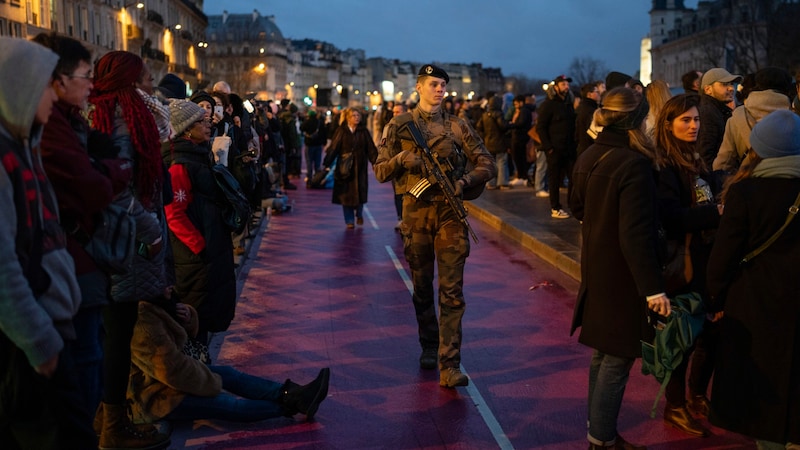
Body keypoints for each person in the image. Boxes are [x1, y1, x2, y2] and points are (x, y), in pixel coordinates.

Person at [0, 35, 96, 449]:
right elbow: (4, 267)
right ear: (19, 86)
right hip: (35, 344)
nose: (54, 95)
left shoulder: (24, 148)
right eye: (45, 85)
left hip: (50, 328)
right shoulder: (5, 159)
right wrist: (43, 347)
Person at [374, 64, 496, 388]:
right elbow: (380, 171)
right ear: (418, 87)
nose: (439, 89)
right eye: (433, 84)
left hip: (450, 217)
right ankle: (429, 343)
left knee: (452, 292)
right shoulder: (399, 125)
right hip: (415, 217)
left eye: (443, 84)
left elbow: (488, 163)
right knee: (423, 287)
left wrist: (465, 181)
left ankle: (450, 363)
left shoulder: (457, 126)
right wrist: (402, 160)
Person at [33, 31, 132, 420]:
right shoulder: (49, 127)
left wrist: (101, 169)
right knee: (86, 366)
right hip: (72, 262)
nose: (91, 85)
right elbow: (90, 186)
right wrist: (112, 170)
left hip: (78, 259)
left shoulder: (66, 123)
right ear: (55, 80)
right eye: (84, 75)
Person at [569, 87, 669, 450]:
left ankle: (599, 428)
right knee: (618, 357)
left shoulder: (591, 154)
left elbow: (576, 207)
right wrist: (653, 289)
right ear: (636, 119)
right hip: (624, 275)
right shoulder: (633, 163)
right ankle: (602, 439)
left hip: (597, 266)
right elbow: (636, 233)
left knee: (602, 353)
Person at [88, 50, 171, 450]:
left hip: (108, 241)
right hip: (123, 242)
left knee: (110, 333)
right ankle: (113, 426)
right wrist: (151, 231)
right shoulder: (122, 117)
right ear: (128, 80)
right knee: (116, 335)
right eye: (145, 76)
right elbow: (120, 189)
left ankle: (106, 416)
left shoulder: (102, 112)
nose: (151, 81)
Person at [706, 109, 800, 449]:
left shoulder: (746, 193)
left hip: (755, 303)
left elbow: (724, 253)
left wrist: (714, 298)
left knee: (762, 387)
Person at [127, 297, 330, 425]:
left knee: (230, 374)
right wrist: (211, 382)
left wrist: (187, 316)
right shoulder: (142, 320)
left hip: (166, 383)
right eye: (163, 281)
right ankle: (290, 406)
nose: (170, 285)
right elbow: (172, 370)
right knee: (228, 405)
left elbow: (182, 341)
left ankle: (292, 394)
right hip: (151, 398)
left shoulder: (156, 304)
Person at [654, 93, 722, 438]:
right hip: (682, 263)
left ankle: (697, 396)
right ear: (669, 124)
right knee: (683, 336)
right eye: (686, 120)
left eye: (696, 120)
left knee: (711, 332)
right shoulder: (665, 165)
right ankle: (675, 406)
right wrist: (714, 213)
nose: (694, 125)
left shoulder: (697, 159)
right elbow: (671, 218)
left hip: (705, 257)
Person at [161, 99, 237, 347]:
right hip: (195, 258)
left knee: (207, 314)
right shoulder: (179, 164)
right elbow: (175, 212)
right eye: (201, 122)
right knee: (196, 321)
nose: (207, 124)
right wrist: (200, 246)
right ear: (185, 129)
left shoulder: (198, 155)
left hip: (208, 251)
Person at [712, 67, 793, 178]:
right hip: (790, 187)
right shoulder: (794, 116)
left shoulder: (736, 118)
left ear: (758, 84)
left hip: (748, 186)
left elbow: (723, 164)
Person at [322, 107, 378, 228]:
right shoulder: (341, 131)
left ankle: (359, 213)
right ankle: (349, 221)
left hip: (360, 166)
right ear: (348, 117)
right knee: (345, 194)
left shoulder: (364, 131)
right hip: (345, 167)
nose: (356, 118)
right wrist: (327, 162)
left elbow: (371, 148)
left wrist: (375, 162)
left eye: (358, 115)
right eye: (354, 116)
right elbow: (334, 147)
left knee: (360, 191)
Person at [537, 74, 576, 218]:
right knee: (554, 179)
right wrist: (548, 147)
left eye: (567, 84)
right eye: (563, 84)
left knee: (573, 178)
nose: (566, 87)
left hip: (569, 148)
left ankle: (573, 206)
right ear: (556, 87)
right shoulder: (548, 105)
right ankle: (555, 207)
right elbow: (541, 127)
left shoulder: (568, 104)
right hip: (555, 149)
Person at [697, 68, 742, 180]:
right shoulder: (708, 113)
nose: (731, 88)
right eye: (724, 84)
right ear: (708, 89)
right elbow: (705, 154)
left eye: (732, 84)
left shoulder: (717, 110)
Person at [477, 95, 509, 189]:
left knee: (491, 164)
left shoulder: (485, 115)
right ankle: (502, 183)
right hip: (499, 142)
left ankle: (491, 183)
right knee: (502, 162)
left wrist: (484, 137)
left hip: (488, 142)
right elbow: (503, 126)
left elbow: (479, 127)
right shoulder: (499, 114)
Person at [300, 108, 326, 187]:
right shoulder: (320, 122)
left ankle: (309, 179)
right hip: (318, 144)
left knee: (309, 162)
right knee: (317, 163)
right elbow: (324, 133)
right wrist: (323, 143)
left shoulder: (306, 122)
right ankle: (317, 179)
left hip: (309, 144)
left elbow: (301, 128)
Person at [575, 83, 601, 155]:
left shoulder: (580, 108)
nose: (599, 94)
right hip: (589, 149)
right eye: (597, 92)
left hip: (582, 148)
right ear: (589, 94)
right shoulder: (590, 111)